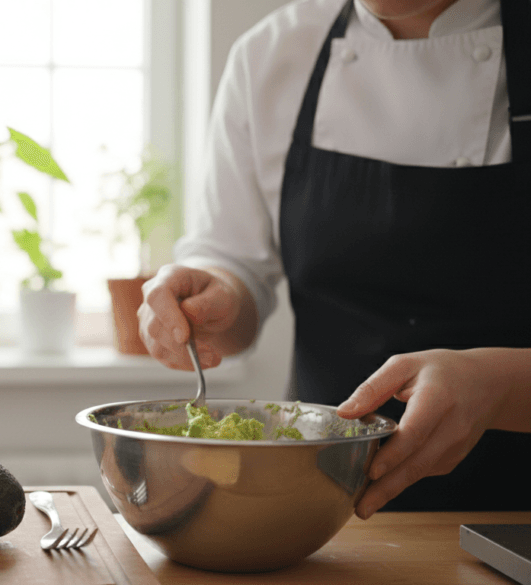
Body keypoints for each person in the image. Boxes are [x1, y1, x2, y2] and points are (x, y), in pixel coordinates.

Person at [138, 0, 531, 519]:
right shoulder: (274, 52)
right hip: (318, 517)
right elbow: (235, 262)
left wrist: (500, 385)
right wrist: (218, 298)